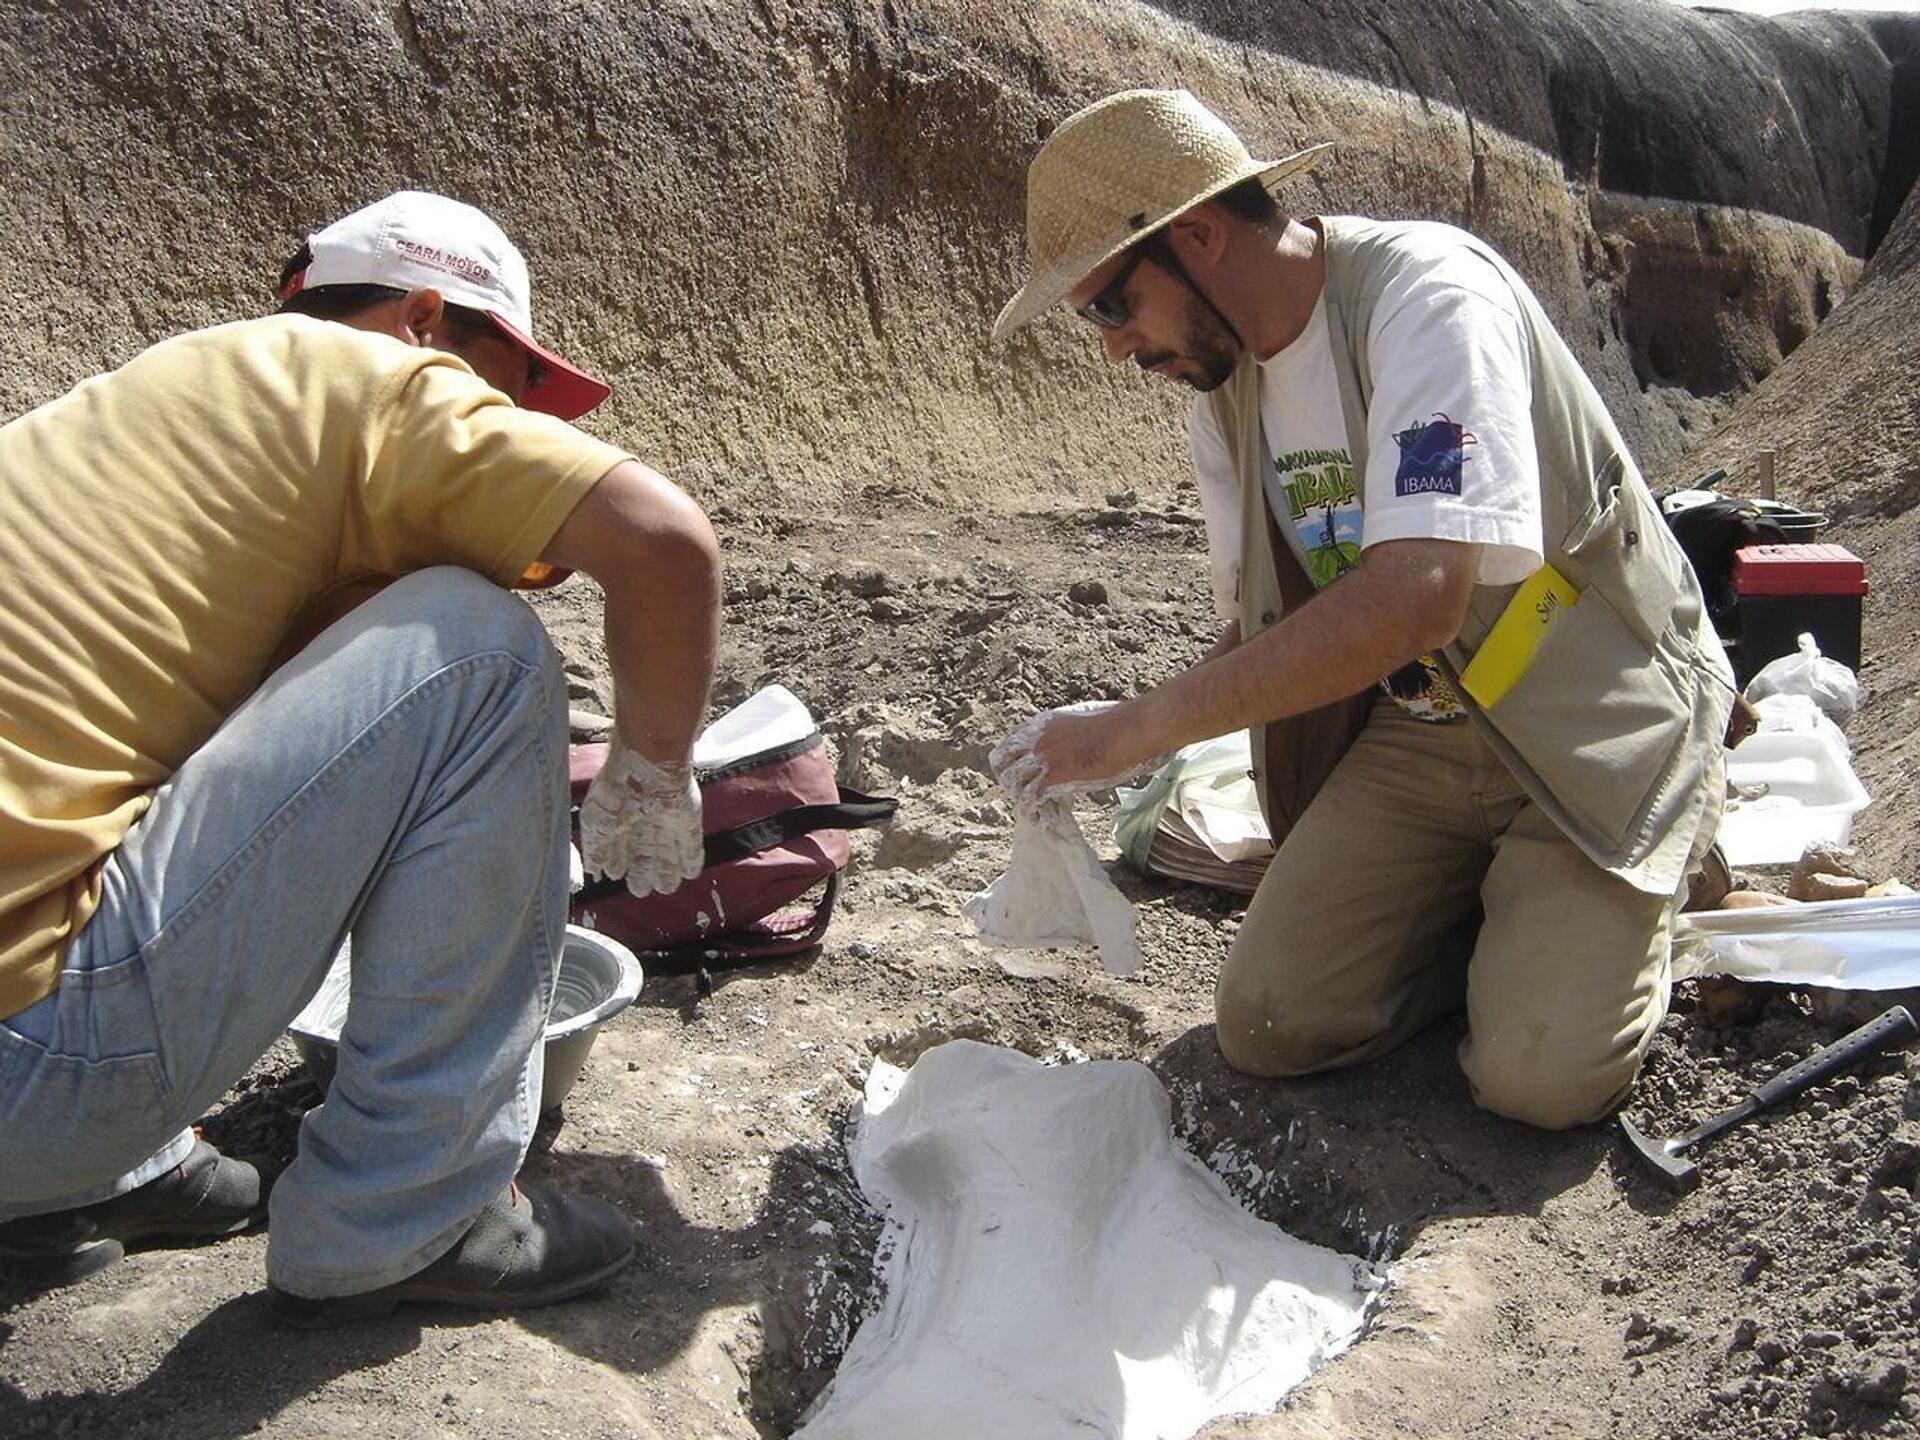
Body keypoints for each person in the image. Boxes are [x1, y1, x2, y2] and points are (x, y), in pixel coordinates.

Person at [0, 191, 722, 1322]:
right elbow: (665, 543)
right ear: (425, 323)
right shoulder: (365, 376)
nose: (514, 423)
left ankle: (81, 1186)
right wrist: (653, 770)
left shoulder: (144, 419)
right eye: (510, 388)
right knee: (474, 647)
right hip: (31, 1076)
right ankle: (410, 1212)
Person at [988, 90, 1735, 1130]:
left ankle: (1660, 848)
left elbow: (1418, 597)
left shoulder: (1429, 299)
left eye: (1111, 307)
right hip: (1423, 732)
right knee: (1270, 1024)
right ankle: (1512, 936)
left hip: (1586, 707)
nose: (1114, 346)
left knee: (1536, 1082)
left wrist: (1136, 728)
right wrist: (1128, 738)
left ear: (1195, 236)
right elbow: (1258, 627)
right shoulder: (1226, 395)